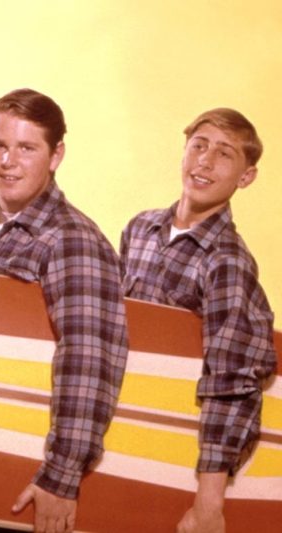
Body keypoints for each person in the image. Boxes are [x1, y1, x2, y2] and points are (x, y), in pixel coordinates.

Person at [0, 88, 129, 533]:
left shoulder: (73, 241)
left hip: (19, 463)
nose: (8, 161)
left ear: (56, 156)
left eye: (26, 148)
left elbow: (90, 360)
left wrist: (61, 476)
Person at [119, 108, 277, 533]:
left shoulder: (227, 262)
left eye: (224, 154)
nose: (205, 161)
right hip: (124, 427)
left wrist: (210, 501)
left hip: (177, 448)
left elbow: (231, 377)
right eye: (199, 146)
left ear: (246, 177)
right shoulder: (141, 229)